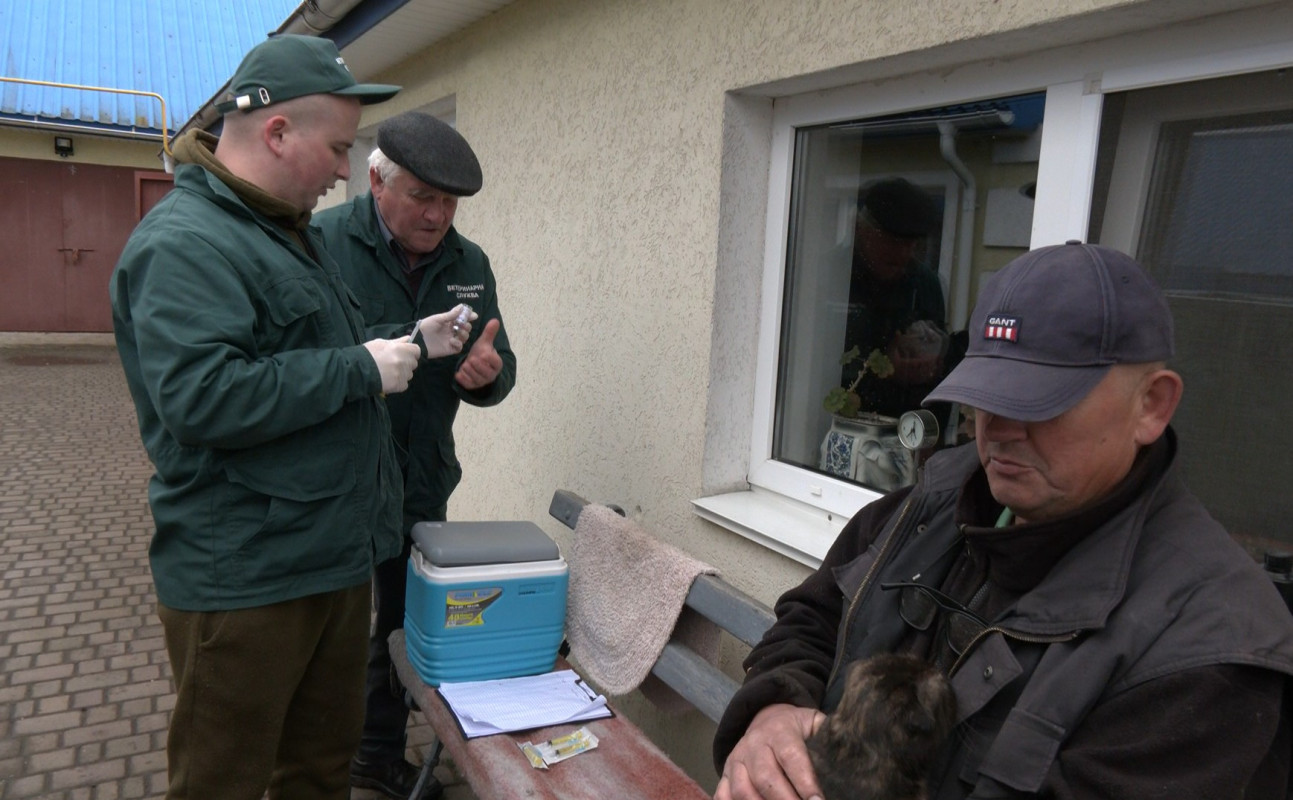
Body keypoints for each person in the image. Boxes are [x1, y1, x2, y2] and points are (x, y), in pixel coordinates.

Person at [714, 242, 1293, 799]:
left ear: (1152, 405)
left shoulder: (1210, 646)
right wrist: (774, 712)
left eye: (1042, 399)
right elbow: (812, 619)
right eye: (988, 393)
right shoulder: (938, 496)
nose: (999, 429)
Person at [109, 34, 472, 800]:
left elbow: (298, 355)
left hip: (329, 562)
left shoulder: (281, 231)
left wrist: (406, 346)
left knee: (316, 773)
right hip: (247, 579)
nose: (345, 169)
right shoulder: (188, 242)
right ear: (277, 132)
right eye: (338, 148)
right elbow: (201, 396)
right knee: (224, 782)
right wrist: (360, 368)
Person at [314, 110, 516, 800]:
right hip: (331, 482)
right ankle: (317, 760)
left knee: (399, 630)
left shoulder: (469, 263)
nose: (438, 216)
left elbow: (500, 359)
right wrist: (407, 338)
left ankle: (377, 754)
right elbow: (306, 358)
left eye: (449, 201)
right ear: (375, 181)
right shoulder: (319, 243)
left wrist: (488, 376)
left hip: (419, 482)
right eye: (423, 196)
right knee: (329, 631)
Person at [842, 177, 948, 418]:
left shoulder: (925, 283)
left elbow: (941, 371)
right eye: (892, 241)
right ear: (859, 228)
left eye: (912, 244)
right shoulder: (829, 277)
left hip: (906, 425)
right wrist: (882, 370)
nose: (903, 254)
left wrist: (933, 365)